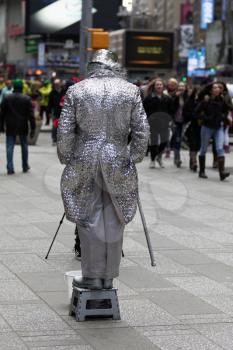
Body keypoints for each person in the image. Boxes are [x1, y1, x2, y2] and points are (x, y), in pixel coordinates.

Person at [57, 49, 149, 290]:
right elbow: (141, 129)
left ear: (92, 66)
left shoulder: (77, 90)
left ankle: (92, 274)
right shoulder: (131, 90)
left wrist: (66, 156)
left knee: (87, 216)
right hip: (117, 156)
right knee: (115, 218)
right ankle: (108, 276)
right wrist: (134, 156)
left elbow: (65, 129)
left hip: (85, 158)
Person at [195, 82, 231, 181]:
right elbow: (197, 113)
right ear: (211, 90)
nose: (217, 89)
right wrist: (206, 118)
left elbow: (226, 111)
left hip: (218, 127)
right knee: (203, 149)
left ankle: (222, 172)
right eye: (215, 87)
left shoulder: (222, 100)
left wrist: (223, 117)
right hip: (207, 127)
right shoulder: (205, 101)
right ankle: (201, 171)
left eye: (218, 88)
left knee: (220, 148)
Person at [0, 79, 35, 174]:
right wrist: (33, 128)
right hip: (23, 125)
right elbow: (31, 115)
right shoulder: (27, 99)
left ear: (14, 87)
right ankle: (25, 166)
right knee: (24, 145)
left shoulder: (7, 98)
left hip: (10, 125)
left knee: (10, 146)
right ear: (22, 87)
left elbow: (2, 114)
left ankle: (10, 168)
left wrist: (1, 126)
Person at [143, 78, 177, 168]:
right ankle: (153, 160)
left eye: (160, 85)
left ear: (163, 86)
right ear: (154, 87)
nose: (159, 86)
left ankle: (159, 157)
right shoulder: (149, 98)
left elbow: (172, 111)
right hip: (153, 123)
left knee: (164, 143)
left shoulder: (167, 98)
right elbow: (144, 110)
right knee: (153, 142)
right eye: (157, 85)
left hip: (164, 123)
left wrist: (170, 120)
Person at [48, 79, 64, 145]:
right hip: (55, 112)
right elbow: (50, 103)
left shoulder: (64, 92)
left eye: (57, 84)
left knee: (62, 127)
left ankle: (61, 140)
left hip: (63, 112)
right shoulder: (52, 92)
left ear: (60, 84)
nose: (56, 85)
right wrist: (48, 112)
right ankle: (54, 139)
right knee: (55, 126)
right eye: (55, 84)